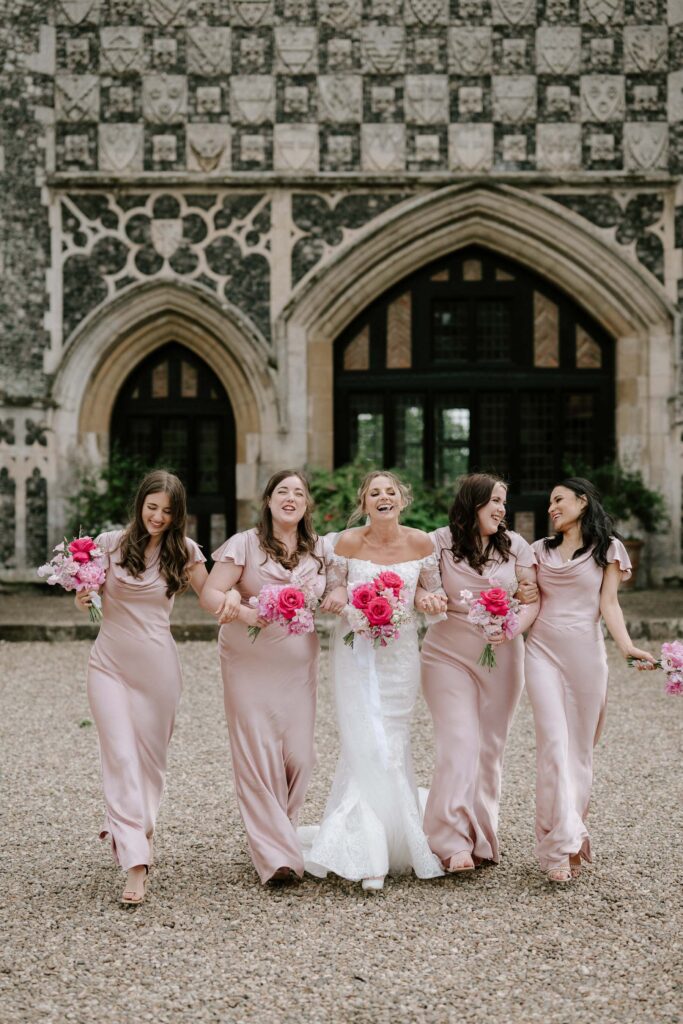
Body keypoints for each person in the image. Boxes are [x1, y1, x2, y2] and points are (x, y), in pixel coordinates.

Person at [300, 470, 446, 891]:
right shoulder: (345, 543)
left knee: (392, 742)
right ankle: (370, 854)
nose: (384, 497)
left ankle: (389, 838)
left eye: (391, 491)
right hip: (355, 651)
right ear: (363, 504)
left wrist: (430, 599)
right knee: (364, 741)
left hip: (400, 655)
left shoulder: (422, 542)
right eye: (374, 493)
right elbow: (338, 589)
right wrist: (340, 601)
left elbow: (426, 595)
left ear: (403, 500)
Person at [76, 470, 207, 905]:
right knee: (119, 755)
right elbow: (88, 593)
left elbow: (214, 597)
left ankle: (133, 828)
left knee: (150, 765)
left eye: (167, 511)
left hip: (158, 670)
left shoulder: (185, 552)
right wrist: (82, 597)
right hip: (109, 664)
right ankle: (136, 862)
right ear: (140, 504)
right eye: (152, 507)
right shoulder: (109, 543)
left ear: (177, 515)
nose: (158, 517)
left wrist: (257, 609)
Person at [523, 477, 656, 883]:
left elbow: (609, 604)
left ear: (582, 501)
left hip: (586, 656)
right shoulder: (537, 551)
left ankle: (570, 831)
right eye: (549, 502)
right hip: (541, 652)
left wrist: (627, 647)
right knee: (553, 745)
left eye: (558, 500)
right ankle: (559, 846)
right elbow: (528, 601)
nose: (551, 507)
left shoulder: (608, 550)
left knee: (579, 749)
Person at [200, 471, 328, 884]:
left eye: (298, 493)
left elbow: (331, 594)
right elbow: (210, 595)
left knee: (300, 757)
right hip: (248, 662)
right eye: (282, 492)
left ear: (307, 504)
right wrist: (244, 610)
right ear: (269, 501)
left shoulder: (320, 549)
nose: (290, 498)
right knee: (259, 758)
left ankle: (280, 834)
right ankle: (276, 857)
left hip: (298, 665)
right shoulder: (244, 544)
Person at [419, 473, 539, 872]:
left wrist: (511, 627)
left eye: (504, 501)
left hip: (503, 655)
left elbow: (531, 599)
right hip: (446, 654)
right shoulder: (438, 541)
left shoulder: (516, 546)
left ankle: (482, 836)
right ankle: (449, 839)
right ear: (473, 503)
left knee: (489, 749)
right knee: (459, 742)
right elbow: (424, 590)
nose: (502, 509)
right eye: (495, 500)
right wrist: (429, 600)